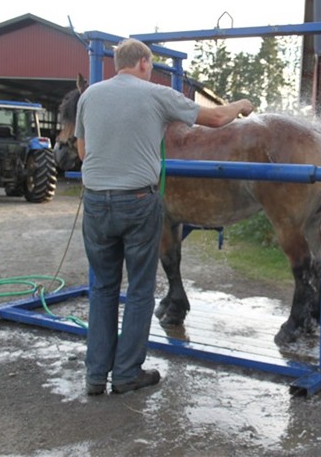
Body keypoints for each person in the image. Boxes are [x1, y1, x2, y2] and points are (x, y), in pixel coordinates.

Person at [75, 38, 254, 395]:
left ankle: (96, 375)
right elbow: (217, 118)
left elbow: (83, 151)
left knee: (103, 288)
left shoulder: (89, 96)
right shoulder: (156, 94)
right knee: (140, 290)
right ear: (143, 63)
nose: (152, 69)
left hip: (95, 202)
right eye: (151, 64)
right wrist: (243, 104)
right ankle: (126, 374)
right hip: (138, 202)